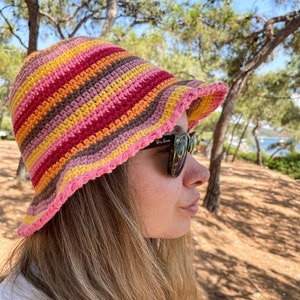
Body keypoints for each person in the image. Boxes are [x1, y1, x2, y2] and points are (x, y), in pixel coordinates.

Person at [0, 36, 228, 300]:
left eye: (188, 143)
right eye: (171, 147)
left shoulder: (137, 272)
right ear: (94, 175)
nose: (202, 173)